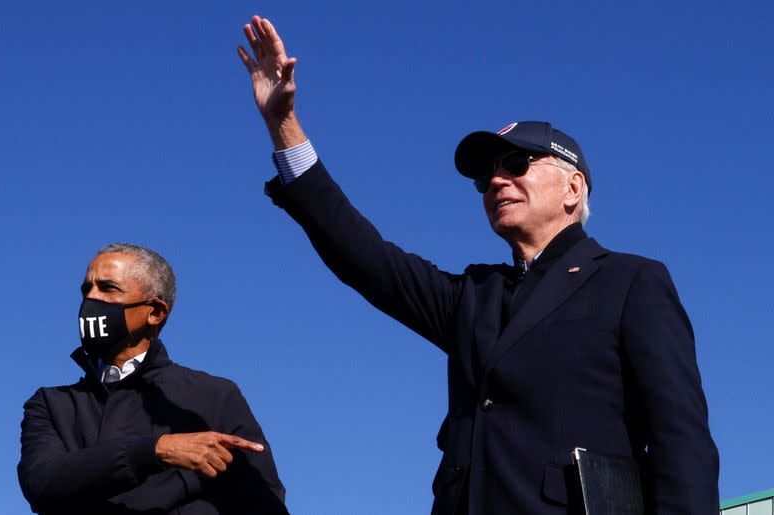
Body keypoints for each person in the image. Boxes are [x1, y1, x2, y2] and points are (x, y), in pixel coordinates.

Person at [237, 16, 720, 515]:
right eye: (485, 176)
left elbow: (680, 442)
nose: (495, 181)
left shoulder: (630, 281)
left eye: (516, 165)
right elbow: (363, 256)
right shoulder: (474, 295)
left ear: (573, 188)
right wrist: (283, 126)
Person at [18, 243, 288, 515]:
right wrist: (155, 450)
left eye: (108, 288)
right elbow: (41, 483)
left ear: (155, 312)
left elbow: (263, 502)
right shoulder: (51, 404)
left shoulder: (214, 396)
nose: (91, 299)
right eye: (86, 289)